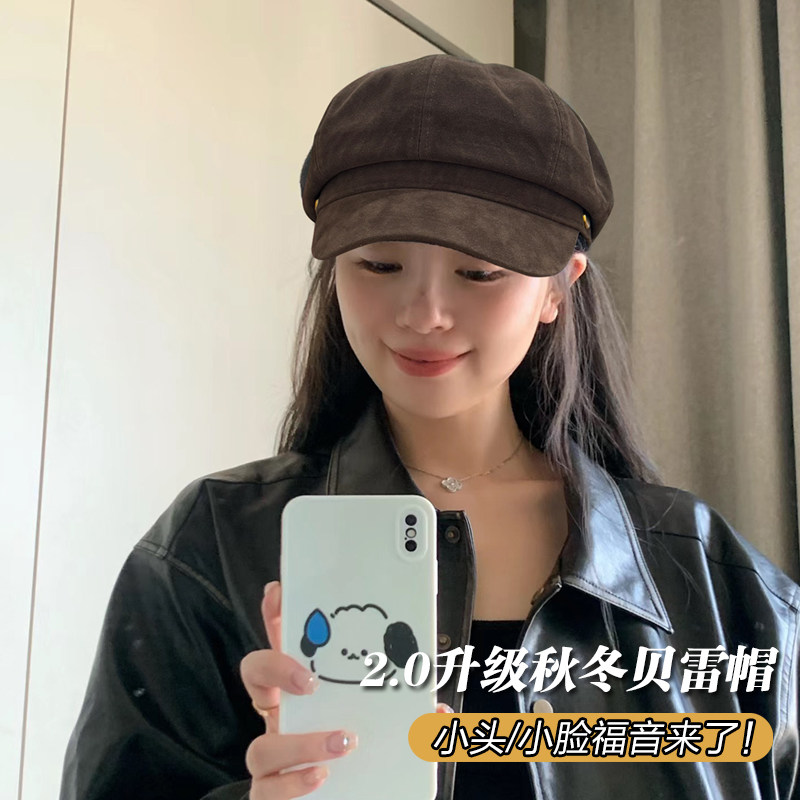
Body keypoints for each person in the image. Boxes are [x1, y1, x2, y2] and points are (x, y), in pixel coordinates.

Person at [60, 55, 799, 800]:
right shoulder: (209, 549)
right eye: (379, 265)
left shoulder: (707, 573)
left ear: (558, 289)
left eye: (478, 272)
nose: (423, 314)